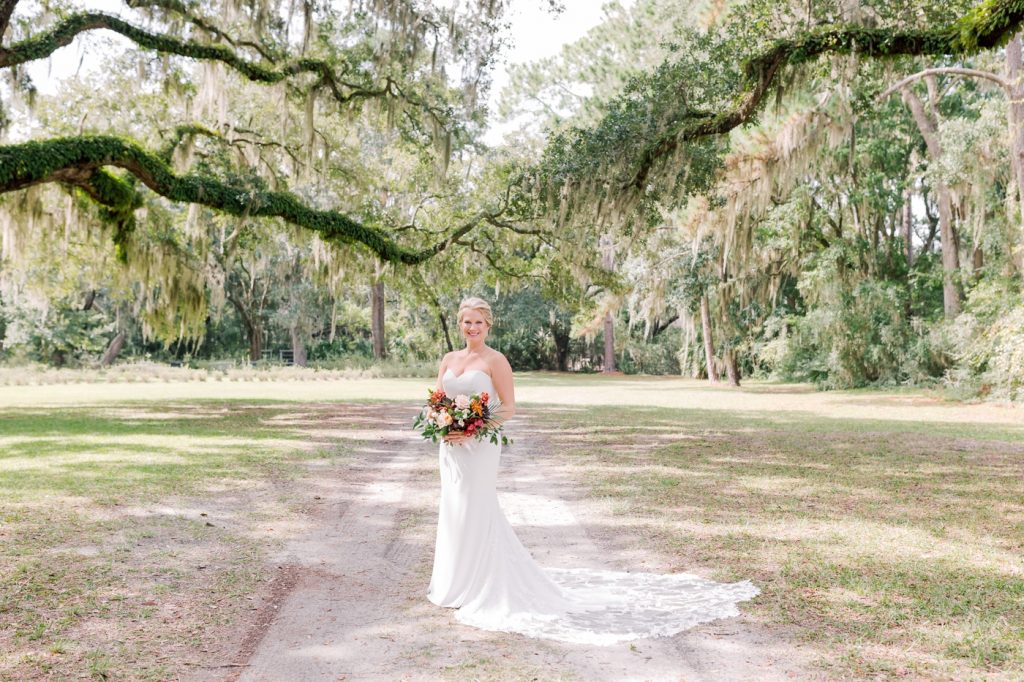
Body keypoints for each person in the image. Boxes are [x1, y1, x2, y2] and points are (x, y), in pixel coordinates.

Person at [426, 296, 759, 645]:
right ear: (460, 324)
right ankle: (455, 581)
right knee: (454, 507)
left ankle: (480, 583)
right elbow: (436, 400)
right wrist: (442, 421)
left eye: (478, 322)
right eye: (467, 322)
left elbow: (508, 407)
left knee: (477, 507)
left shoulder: (496, 360)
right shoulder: (449, 359)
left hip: (480, 445)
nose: (472, 328)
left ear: (488, 325)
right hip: (450, 447)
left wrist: (473, 427)